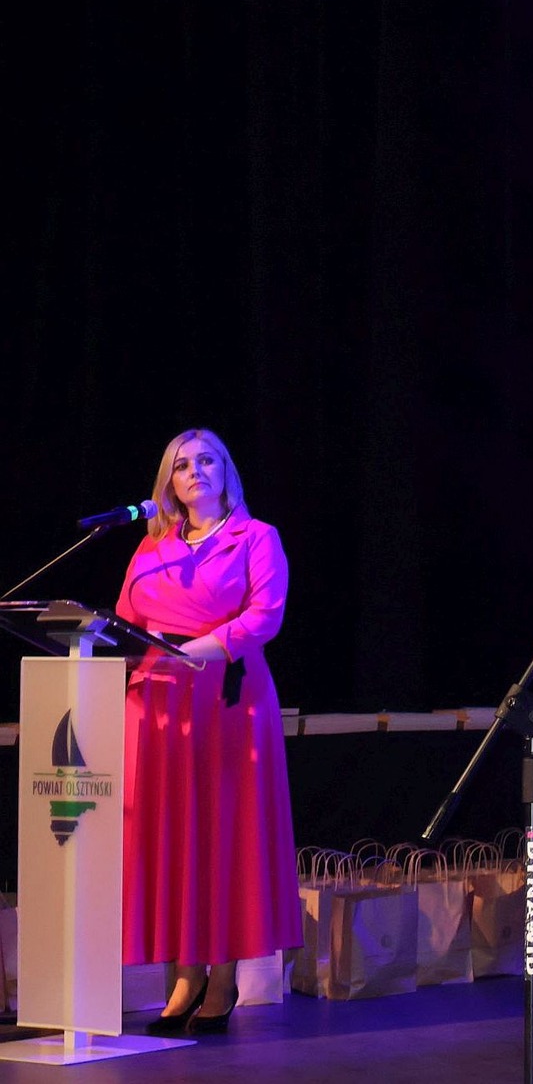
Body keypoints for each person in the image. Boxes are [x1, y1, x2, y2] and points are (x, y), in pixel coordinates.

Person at [117, 428, 297, 1035]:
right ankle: (185, 976)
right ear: (168, 482)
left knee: (224, 834)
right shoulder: (151, 546)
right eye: (182, 465)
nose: (195, 471)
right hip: (160, 706)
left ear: (226, 472)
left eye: (207, 460)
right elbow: (126, 622)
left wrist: (189, 651)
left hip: (228, 698)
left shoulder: (257, 537)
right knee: (176, 837)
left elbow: (264, 616)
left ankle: (221, 977)